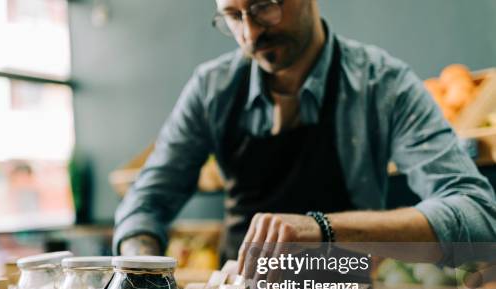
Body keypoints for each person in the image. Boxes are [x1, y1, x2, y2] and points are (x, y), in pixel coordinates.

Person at [113, 0, 496, 271]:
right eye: (232, 15)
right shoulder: (211, 89)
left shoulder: (382, 85)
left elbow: (476, 217)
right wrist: (143, 275)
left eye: (265, 6)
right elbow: (145, 203)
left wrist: (323, 229)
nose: (250, 34)